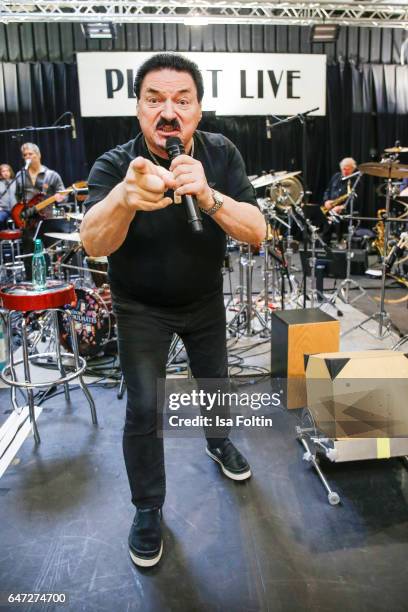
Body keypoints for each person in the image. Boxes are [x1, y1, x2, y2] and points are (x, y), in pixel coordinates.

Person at [80, 53, 266, 568]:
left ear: (198, 111)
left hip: (203, 298)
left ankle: (218, 441)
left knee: (215, 384)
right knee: (143, 408)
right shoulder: (116, 166)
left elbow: (258, 230)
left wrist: (208, 196)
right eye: (155, 100)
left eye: (182, 100)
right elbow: (93, 243)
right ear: (138, 110)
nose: (169, 112)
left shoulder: (220, 153)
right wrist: (124, 198)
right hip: (140, 306)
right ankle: (148, 508)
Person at [14, 143, 65, 278]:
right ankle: (30, 281)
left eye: (31, 154)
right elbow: (16, 197)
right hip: (28, 220)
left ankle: (47, 279)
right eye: (25, 155)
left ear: (39, 155)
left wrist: (60, 198)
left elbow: (63, 193)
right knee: (29, 251)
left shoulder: (51, 175)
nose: (27, 157)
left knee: (45, 251)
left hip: (46, 218)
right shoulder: (20, 175)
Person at [321, 157, 357, 246]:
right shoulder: (336, 176)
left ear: (353, 169)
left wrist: (342, 207)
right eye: (343, 169)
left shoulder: (355, 180)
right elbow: (327, 190)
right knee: (325, 221)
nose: (345, 171)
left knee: (334, 219)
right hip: (330, 207)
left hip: (345, 210)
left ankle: (340, 243)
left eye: (348, 169)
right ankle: (324, 246)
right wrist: (326, 201)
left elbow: (356, 199)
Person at [0, 164, 17, 229]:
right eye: (3, 171)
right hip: (3, 210)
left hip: (16, 209)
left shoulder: (16, 182)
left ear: (10, 172)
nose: (6, 173)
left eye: (7, 171)